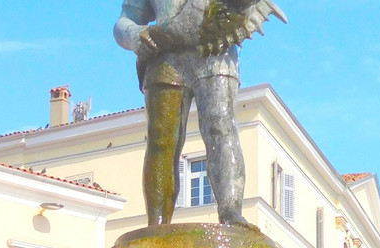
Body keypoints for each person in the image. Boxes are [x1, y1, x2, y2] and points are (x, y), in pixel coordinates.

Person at [114, 0, 283, 227]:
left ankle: (231, 212)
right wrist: (134, 34)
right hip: (164, 54)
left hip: (216, 50)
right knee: (162, 140)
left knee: (221, 126)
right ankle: (157, 224)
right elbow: (125, 20)